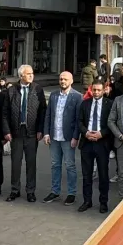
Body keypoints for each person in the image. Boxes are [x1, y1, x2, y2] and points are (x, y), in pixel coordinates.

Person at [3, 64, 47, 203]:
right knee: (15, 163)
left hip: (32, 132)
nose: (31, 76)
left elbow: (42, 112)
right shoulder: (11, 90)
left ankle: (30, 191)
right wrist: (6, 131)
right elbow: (5, 113)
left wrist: (40, 130)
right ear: (21, 76)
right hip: (16, 132)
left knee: (31, 163)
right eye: (28, 74)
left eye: (32, 73)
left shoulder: (37, 89)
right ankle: (14, 190)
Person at [42, 71, 83, 205]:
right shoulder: (53, 95)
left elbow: (78, 120)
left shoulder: (77, 97)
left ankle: (71, 193)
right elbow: (48, 115)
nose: (62, 81)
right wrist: (46, 133)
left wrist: (76, 137)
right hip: (54, 136)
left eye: (65, 79)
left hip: (68, 137)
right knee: (55, 165)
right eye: (61, 79)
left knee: (70, 165)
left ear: (71, 81)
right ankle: (55, 191)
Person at [78, 79, 113, 213]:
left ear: (104, 90)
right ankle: (87, 201)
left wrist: (101, 134)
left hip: (102, 143)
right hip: (87, 143)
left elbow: (112, 122)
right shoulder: (85, 103)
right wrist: (86, 133)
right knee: (86, 175)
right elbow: (79, 121)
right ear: (91, 90)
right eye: (94, 90)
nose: (96, 93)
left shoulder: (109, 104)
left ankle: (103, 202)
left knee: (103, 174)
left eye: (99, 90)